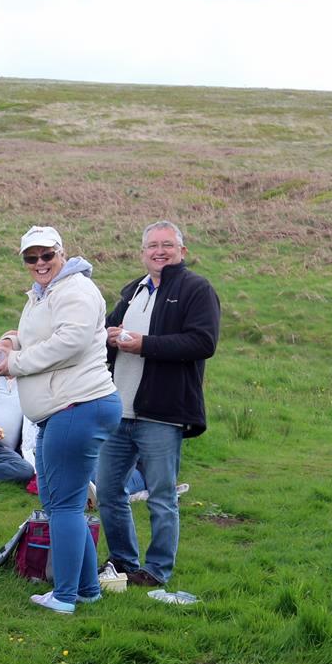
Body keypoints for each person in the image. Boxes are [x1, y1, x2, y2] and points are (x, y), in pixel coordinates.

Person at [0, 226, 120, 614]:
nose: (40, 263)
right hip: (59, 411)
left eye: (47, 255)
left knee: (62, 507)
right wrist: (11, 341)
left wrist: (14, 364)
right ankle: (87, 588)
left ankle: (63, 597)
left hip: (77, 406)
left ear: (62, 253)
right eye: (32, 258)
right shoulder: (44, 293)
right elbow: (37, 335)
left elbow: (70, 342)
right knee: (64, 502)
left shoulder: (75, 290)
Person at [95, 221, 221, 591]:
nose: (159, 251)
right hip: (119, 411)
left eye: (167, 245)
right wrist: (108, 337)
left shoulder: (197, 289)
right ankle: (122, 561)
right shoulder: (133, 290)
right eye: (152, 246)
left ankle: (156, 570)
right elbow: (107, 334)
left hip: (162, 414)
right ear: (143, 252)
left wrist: (143, 344)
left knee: (162, 496)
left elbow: (202, 342)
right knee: (107, 491)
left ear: (183, 250)